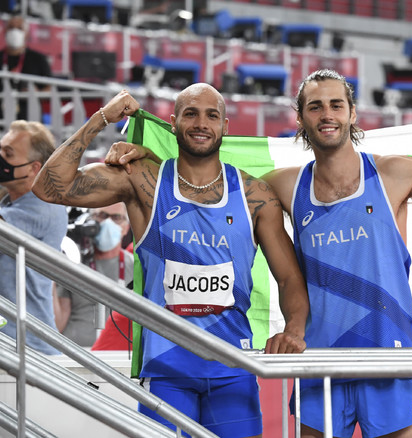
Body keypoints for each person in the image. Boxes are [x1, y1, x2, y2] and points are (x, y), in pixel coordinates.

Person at [107, 70, 412, 438]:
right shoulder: (284, 186)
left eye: (336, 105)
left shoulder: (396, 174)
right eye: (315, 106)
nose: (327, 114)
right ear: (301, 118)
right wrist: (147, 157)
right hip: (320, 365)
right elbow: (206, 180)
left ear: (352, 114)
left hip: (389, 360)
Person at [32, 84, 308, 437]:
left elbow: (288, 277)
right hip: (166, 371)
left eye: (211, 115)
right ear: (174, 123)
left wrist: (294, 330)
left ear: (224, 126)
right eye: (191, 114)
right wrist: (101, 118)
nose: (201, 123)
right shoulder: (142, 180)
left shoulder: (255, 195)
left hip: (232, 369)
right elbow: (49, 187)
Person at [0, 120, 68, 355]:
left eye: (8, 153)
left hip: (29, 349)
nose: (1, 158)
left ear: (33, 168)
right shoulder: (11, 203)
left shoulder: (43, 206)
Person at [55, 202, 134, 348]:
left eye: (116, 217)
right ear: (89, 221)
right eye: (102, 215)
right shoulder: (74, 263)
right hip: (73, 352)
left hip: (119, 355)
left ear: (126, 228)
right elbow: (58, 324)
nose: (108, 222)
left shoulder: (136, 267)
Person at [0, 15, 52, 120]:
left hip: (30, 120)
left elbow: (50, 89)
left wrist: (37, 94)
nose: (15, 32)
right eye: (11, 27)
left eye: (19, 28)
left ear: (27, 33)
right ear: (5, 31)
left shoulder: (39, 59)